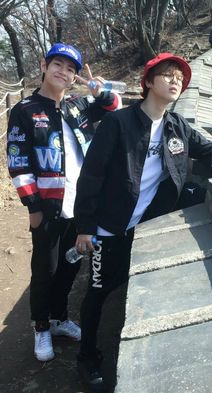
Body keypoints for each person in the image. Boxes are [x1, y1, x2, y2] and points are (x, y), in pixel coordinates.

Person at [73, 52, 212, 392]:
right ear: (147, 82)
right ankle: (87, 357)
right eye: (168, 74)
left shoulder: (177, 126)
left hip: (147, 227)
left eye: (180, 77)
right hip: (108, 229)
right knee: (98, 293)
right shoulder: (118, 123)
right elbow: (91, 176)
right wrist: (85, 226)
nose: (176, 81)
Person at [6, 42, 121, 362]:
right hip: (49, 208)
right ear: (44, 66)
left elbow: (113, 108)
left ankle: (59, 319)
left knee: (72, 265)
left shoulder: (77, 106)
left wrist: (98, 90)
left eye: (71, 69)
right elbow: (17, 162)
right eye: (58, 64)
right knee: (45, 269)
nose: (64, 72)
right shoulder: (25, 110)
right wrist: (33, 208)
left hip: (81, 206)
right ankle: (41, 326)